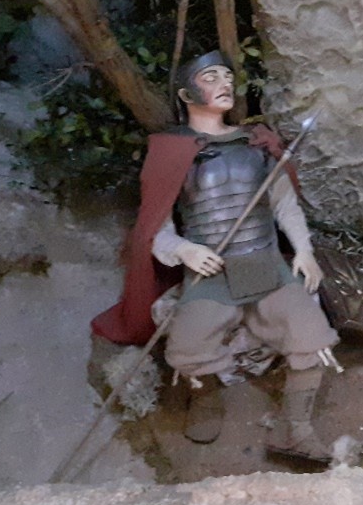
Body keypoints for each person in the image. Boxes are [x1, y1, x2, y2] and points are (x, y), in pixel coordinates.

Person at [92, 50, 339, 464]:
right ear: (187, 93)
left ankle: (295, 431)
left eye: (227, 75)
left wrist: (304, 251)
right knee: (188, 345)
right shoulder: (170, 151)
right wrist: (184, 249)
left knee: (311, 335)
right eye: (211, 77)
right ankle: (206, 399)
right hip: (212, 273)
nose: (225, 83)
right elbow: (154, 227)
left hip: (265, 263)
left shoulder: (257, 143)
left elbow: (284, 205)